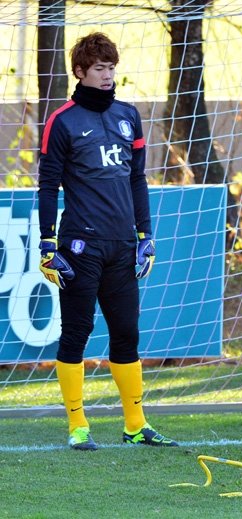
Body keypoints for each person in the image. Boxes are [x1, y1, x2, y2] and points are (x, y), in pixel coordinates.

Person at [37, 32, 178, 450]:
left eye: (111, 68)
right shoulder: (62, 121)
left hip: (122, 246)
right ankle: (78, 427)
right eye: (99, 68)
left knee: (127, 335)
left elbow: (137, 178)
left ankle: (135, 425)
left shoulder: (128, 115)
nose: (107, 76)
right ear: (80, 72)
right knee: (76, 333)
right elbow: (47, 186)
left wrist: (145, 234)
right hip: (80, 245)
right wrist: (47, 243)